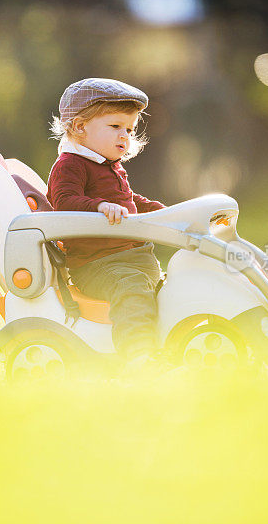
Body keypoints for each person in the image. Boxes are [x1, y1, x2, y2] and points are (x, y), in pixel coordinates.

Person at [46, 78, 166, 372]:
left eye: (130, 129)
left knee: (167, 286)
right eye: (115, 127)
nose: (124, 136)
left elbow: (129, 200)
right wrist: (99, 206)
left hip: (131, 258)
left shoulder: (109, 165)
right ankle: (138, 355)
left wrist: (165, 212)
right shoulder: (70, 164)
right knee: (131, 288)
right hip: (97, 264)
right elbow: (65, 201)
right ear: (79, 127)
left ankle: (165, 344)